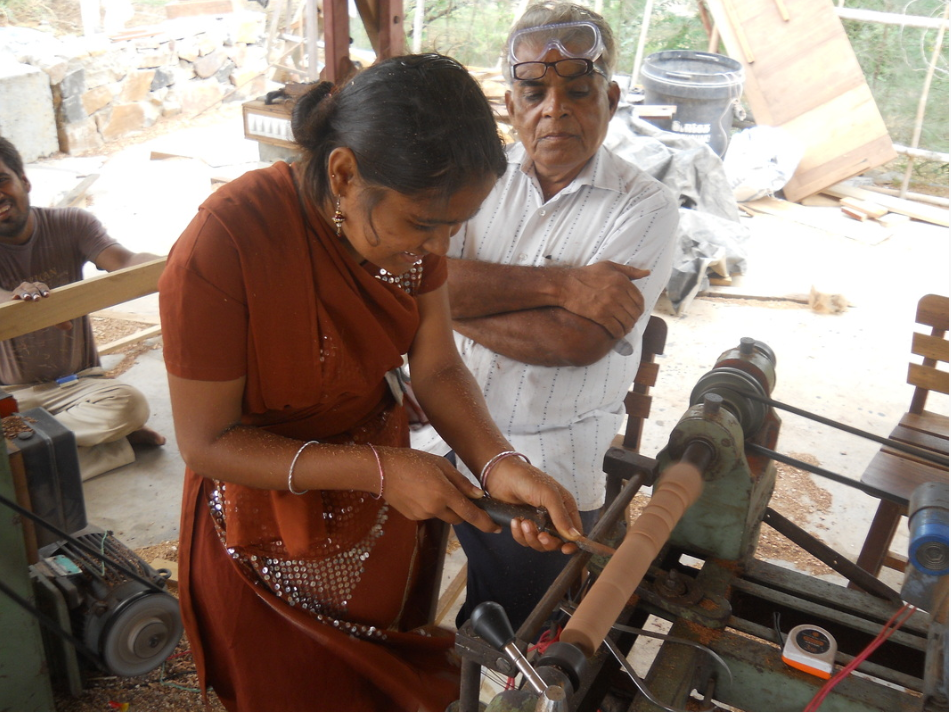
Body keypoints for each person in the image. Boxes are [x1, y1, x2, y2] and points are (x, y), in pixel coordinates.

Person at [157, 53, 583, 712]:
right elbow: (207, 442)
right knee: (290, 689)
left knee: (381, 686)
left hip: (373, 514)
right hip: (263, 528)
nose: (439, 249)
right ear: (344, 173)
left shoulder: (410, 246)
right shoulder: (225, 243)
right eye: (423, 224)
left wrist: (498, 462)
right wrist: (381, 470)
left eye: (453, 226)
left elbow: (437, 366)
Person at [411, 2, 680, 631]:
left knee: (512, 630)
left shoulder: (646, 206)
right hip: (435, 422)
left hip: (547, 451)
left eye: (578, 91)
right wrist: (566, 282)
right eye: (533, 91)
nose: (554, 109)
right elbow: (415, 268)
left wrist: (432, 310)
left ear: (610, 99)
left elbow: (574, 341)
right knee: (386, 582)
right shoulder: (478, 176)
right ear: (510, 105)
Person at [0, 136, 165, 481]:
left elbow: (125, 262)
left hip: (79, 387)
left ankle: (23, 457)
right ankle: (114, 446)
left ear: (24, 181)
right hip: (11, 397)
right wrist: (21, 303)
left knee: (130, 404)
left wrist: (172, 262)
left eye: (2, 181)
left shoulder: (72, 223)